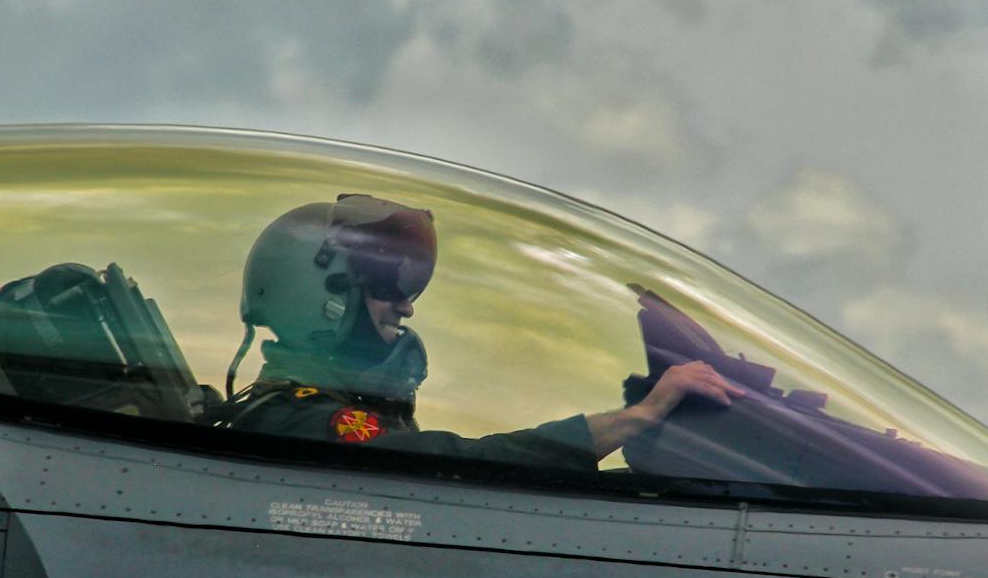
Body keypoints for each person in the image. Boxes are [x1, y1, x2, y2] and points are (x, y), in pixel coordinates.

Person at [214, 193, 741, 469]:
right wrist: (633, 419)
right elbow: (454, 466)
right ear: (320, 298)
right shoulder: (297, 423)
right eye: (386, 282)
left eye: (411, 284)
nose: (406, 307)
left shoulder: (307, 415)